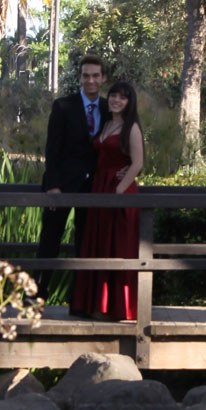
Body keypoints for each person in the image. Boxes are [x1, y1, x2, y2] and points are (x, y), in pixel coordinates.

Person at [38, 53, 108, 309]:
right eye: (86, 75)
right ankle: (35, 298)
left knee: (86, 245)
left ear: (102, 79)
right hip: (62, 186)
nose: (90, 80)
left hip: (93, 188)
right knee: (49, 242)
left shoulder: (108, 108)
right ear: (80, 78)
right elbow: (52, 149)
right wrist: (53, 185)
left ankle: (81, 302)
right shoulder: (63, 106)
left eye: (95, 75)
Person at [72, 81, 144, 321]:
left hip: (119, 193)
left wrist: (119, 192)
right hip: (99, 190)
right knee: (99, 245)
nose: (116, 100)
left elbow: (137, 163)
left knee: (118, 247)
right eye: (113, 95)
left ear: (128, 101)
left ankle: (118, 309)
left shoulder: (131, 127)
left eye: (122, 97)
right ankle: (97, 306)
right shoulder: (106, 123)